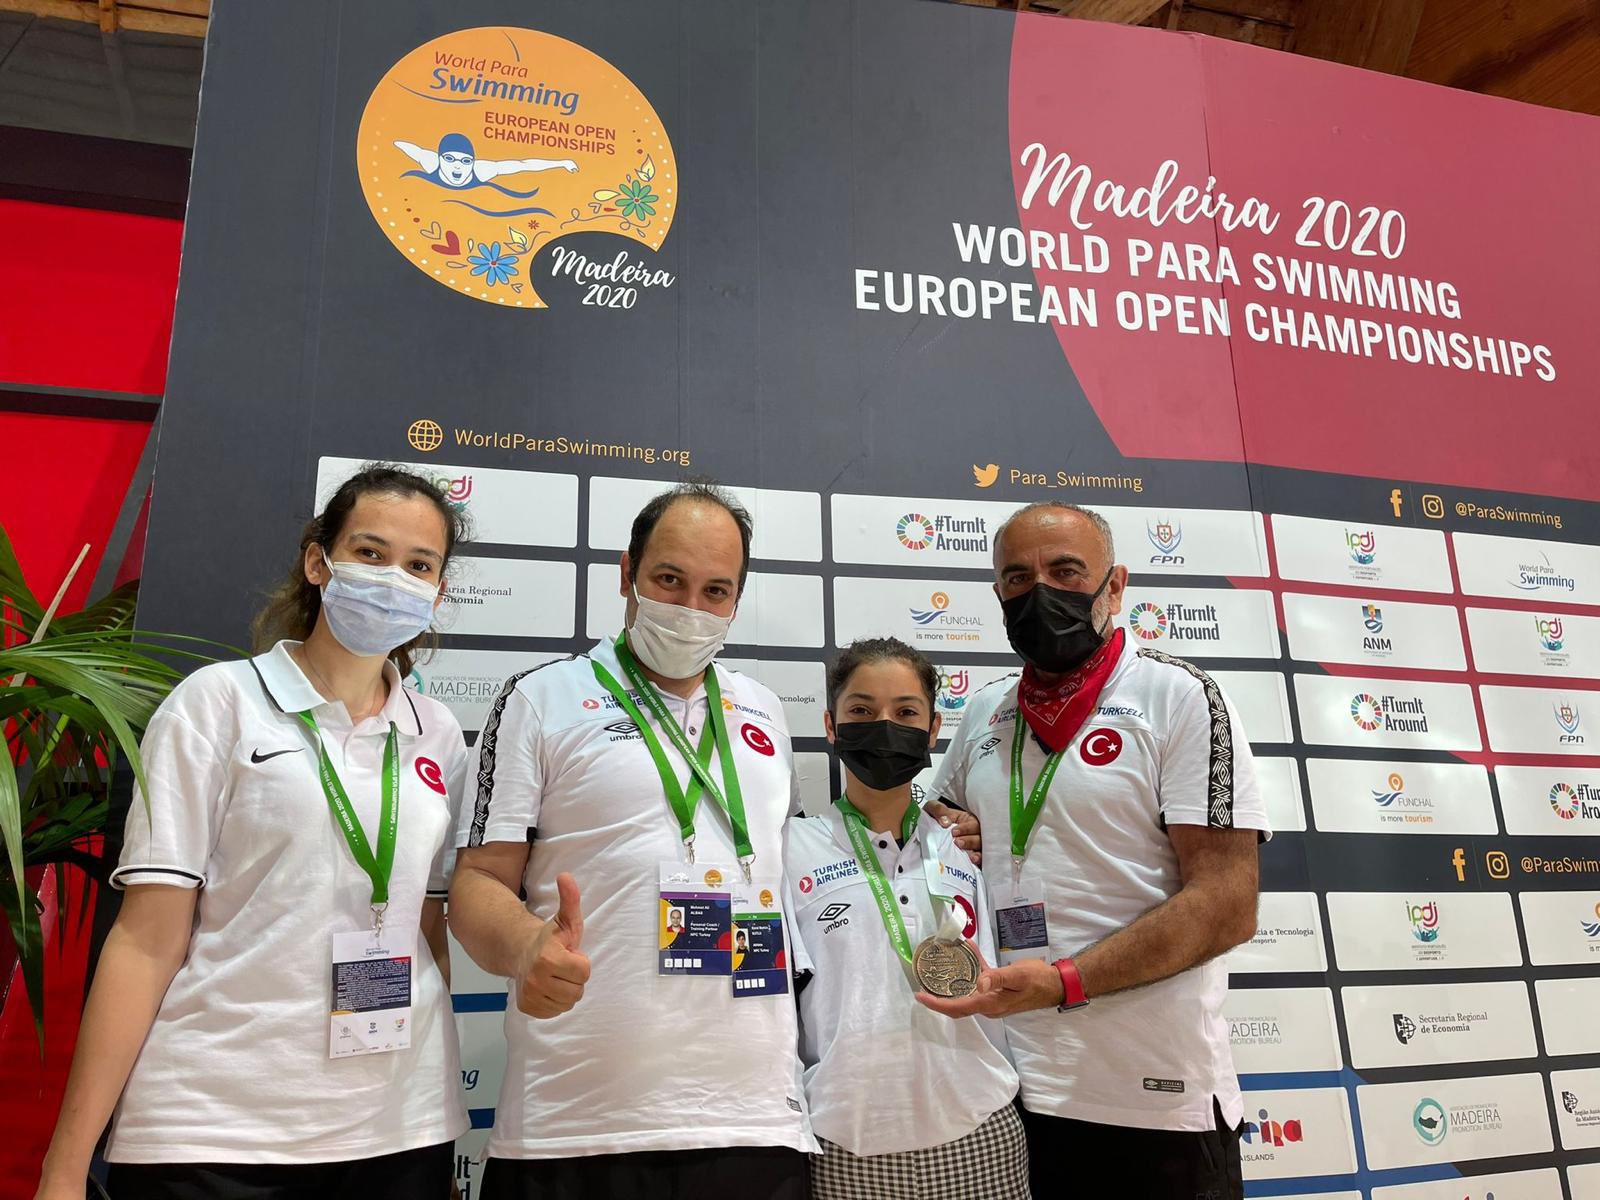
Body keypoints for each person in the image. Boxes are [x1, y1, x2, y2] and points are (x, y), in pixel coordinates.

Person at [35, 464, 472, 1199]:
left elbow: (426, 930)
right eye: (370, 552)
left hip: (399, 1131)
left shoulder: (438, 734)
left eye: (418, 565)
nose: (392, 579)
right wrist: (65, 1167)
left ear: (437, 591)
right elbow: (145, 942)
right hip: (215, 1127)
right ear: (318, 562)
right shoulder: (217, 704)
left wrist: (432, 1103)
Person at [448, 482, 816, 1199]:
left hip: (755, 1121)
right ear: (627, 573)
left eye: (716, 591)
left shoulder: (766, 712)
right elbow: (479, 882)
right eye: (669, 580)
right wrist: (523, 946)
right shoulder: (541, 698)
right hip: (576, 1125)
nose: (690, 608)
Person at [919, 501, 1268, 1200]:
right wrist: (953, 830)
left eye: (1066, 571)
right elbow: (931, 816)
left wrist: (1064, 982)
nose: (1040, 592)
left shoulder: (1178, 697)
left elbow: (1227, 903)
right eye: (1018, 578)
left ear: (1115, 585)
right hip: (1012, 1096)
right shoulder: (987, 710)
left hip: (1152, 1105)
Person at [785, 638, 1026, 1200]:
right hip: (848, 1144)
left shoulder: (967, 846)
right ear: (831, 726)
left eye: (906, 712)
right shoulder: (791, 848)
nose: (884, 726)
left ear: (934, 728)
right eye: (862, 710)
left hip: (980, 1134)